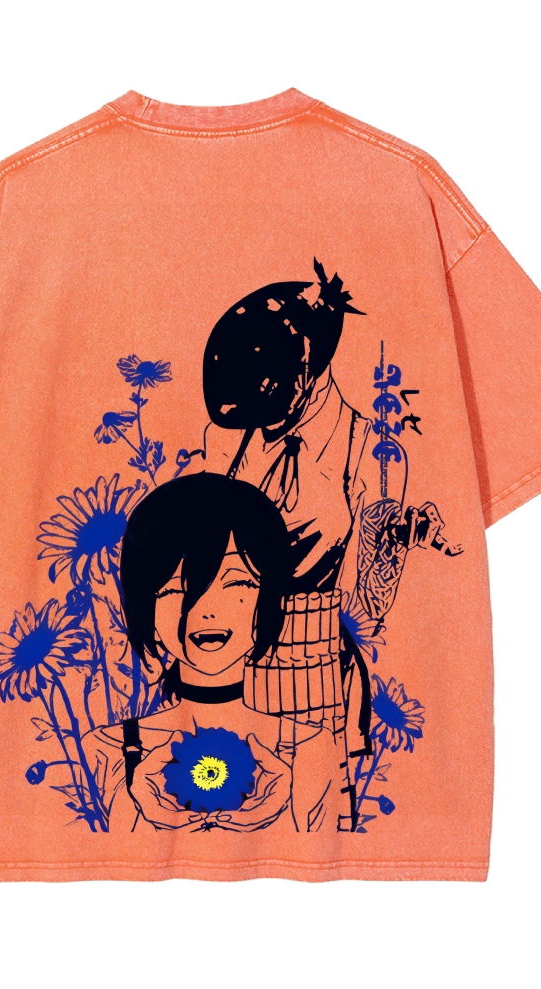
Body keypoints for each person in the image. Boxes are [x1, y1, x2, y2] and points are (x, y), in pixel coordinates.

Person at [197, 260, 460, 780]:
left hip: (310, 675)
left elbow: (366, 610)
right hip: (218, 664)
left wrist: (390, 545)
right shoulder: (226, 440)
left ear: (308, 371)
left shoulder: (373, 454)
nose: (258, 427)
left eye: (268, 409)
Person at [80, 473, 349, 832]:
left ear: (270, 596)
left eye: (237, 582)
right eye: (176, 589)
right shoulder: (105, 749)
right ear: (147, 609)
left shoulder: (310, 748)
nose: (206, 610)